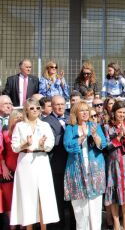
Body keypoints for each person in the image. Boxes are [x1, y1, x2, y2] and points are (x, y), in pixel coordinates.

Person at [10, 98, 59, 229]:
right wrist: (25, 144)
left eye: (38, 108)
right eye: (32, 108)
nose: (36, 110)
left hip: (42, 160)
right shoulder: (20, 126)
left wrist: (43, 145)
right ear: (26, 110)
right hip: (25, 161)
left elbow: (50, 144)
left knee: (43, 196)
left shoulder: (45, 125)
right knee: (27, 197)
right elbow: (14, 147)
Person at [63, 100, 107, 230]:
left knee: (95, 207)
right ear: (75, 113)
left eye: (86, 110)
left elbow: (102, 144)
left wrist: (94, 135)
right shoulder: (70, 128)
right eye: (81, 110)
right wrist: (81, 138)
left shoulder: (95, 125)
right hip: (76, 170)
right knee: (80, 210)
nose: (85, 113)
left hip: (95, 169)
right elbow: (68, 146)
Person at [103, 100, 125, 230]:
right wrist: (117, 138)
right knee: (114, 195)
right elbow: (106, 146)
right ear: (114, 112)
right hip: (113, 163)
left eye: (124, 112)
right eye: (119, 112)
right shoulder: (108, 127)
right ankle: (116, 223)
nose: (122, 115)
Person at [41, 95, 73, 230]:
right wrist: (69, 137)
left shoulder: (70, 118)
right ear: (52, 106)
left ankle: (73, 225)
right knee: (58, 198)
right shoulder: (46, 121)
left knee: (72, 198)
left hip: (71, 163)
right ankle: (59, 226)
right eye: (57, 104)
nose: (60, 107)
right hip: (56, 164)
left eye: (62, 104)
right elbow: (51, 141)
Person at [0, 111, 22, 229]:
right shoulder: (4, 134)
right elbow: (1, 152)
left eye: (20, 117)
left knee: (21, 196)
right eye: (16, 117)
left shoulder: (25, 132)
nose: (18, 119)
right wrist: (3, 166)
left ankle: (23, 224)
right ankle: (12, 225)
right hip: (9, 170)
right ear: (11, 120)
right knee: (9, 198)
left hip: (22, 168)